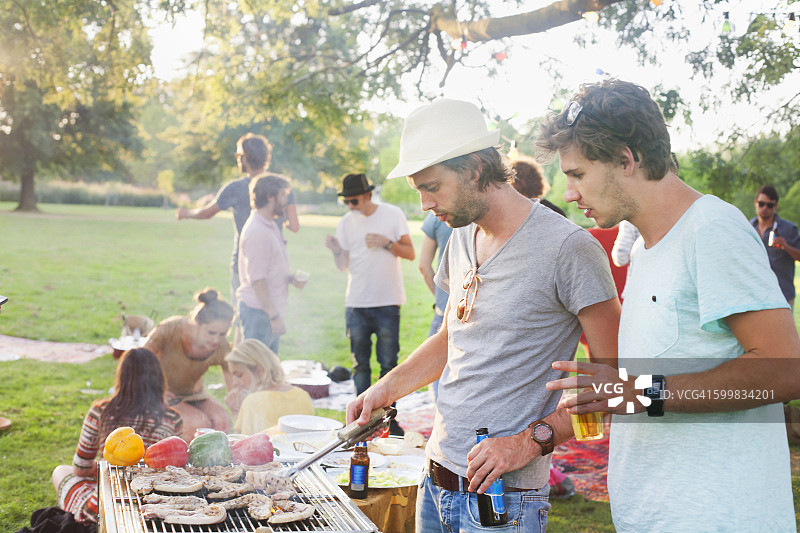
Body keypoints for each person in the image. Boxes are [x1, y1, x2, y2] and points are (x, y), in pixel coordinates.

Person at [536, 78, 800, 532]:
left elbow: (785, 370)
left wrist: (635, 391)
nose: (569, 194)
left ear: (625, 160)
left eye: (577, 174)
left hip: (719, 517)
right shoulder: (645, 247)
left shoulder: (712, 230)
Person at [347, 99, 620, 532]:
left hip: (504, 503)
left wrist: (529, 443)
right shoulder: (460, 237)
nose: (423, 204)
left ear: (475, 169)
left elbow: (613, 383)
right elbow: (452, 337)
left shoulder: (570, 249)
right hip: (435, 483)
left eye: (432, 186)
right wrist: (383, 390)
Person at [325, 173, 415, 435]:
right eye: (346, 202)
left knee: (388, 364)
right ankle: (360, 420)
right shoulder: (346, 222)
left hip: (388, 300)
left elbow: (409, 253)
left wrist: (386, 243)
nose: (350, 206)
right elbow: (343, 265)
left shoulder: (392, 214)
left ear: (367, 195)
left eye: (354, 200)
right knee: (360, 364)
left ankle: (388, 418)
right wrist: (334, 250)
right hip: (357, 301)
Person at [52, 348, 182, 523]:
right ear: (159, 378)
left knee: (61, 471)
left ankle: (82, 518)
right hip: (155, 504)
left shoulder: (100, 411)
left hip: (104, 508)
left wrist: (107, 468)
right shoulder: (173, 418)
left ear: (122, 376)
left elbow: (80, 468)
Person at [176, 133, 300, 306]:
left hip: (244, 262)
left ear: (245, 158)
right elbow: (294, 226)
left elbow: (207, 213)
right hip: (274, 258)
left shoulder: (235, 187)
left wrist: (186, 213)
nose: (237, 159)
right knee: (273, 311)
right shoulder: (281, 185)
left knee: (243, 310)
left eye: (238, 155)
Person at [144, 288, 234, 442]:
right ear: (197, 324)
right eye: (211, 333)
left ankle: (213, 464)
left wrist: (236, 399)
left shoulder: (221, 345)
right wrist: (158, 390)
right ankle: (185, 464)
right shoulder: (171, 328)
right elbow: (140, 360)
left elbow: (233, 379)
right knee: (198, 425)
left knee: (222, 421)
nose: (216, 340)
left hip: (193, 394)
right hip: (158, 393)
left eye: (222, 334)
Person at [237, 174, 306, 353]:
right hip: (260, 315)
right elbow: (258, 281)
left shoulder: (270, 224)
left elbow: (267, 269)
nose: (285, 201)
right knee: (257, 374)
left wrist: (290, 278)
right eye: (283, 195)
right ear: (270, 197)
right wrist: (273, 316)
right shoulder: (257, 231)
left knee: (269, 373)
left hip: (267, 313)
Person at [224, 338, 314, 435]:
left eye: (239, 375)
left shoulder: (253, 401)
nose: (235, 382)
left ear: (259, 371)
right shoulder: (302, 394)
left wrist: (235, 410)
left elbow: (244, 443)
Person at [750, 185, 800, 308]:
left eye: (769, 205)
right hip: (753, 294)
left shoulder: (789, 229)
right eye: (761, 203)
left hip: (782, 294)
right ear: (755, 203)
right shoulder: (748, 227)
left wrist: (786, 246)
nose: (765, 208)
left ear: (775, 206)